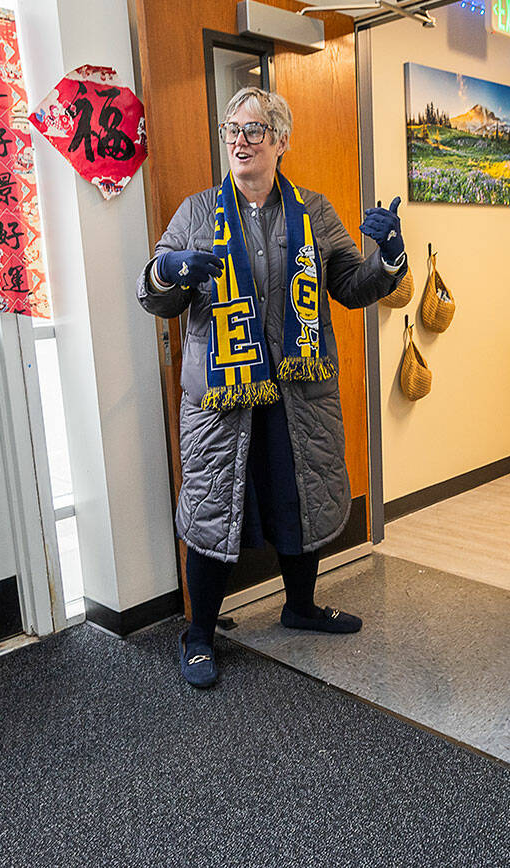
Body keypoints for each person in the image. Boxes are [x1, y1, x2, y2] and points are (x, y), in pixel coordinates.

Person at [137, 87, 407, 688]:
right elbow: (152, 293)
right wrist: (169, 270)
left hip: (297, 393)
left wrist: (389, 258)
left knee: (298, 497)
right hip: (220, 399)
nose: (239, 139)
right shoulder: (197, 213)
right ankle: (199, 636)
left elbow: (353, 287)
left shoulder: (314, 212)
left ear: (281, 141)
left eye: (254, 130)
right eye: (232, 128)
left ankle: (300, 607)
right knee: (214, 507)